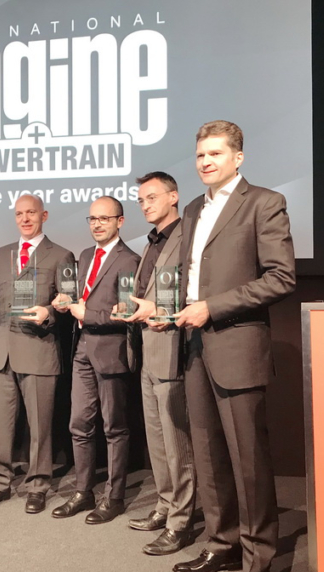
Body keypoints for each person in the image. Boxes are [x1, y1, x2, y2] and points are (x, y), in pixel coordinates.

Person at [171, 121, 296, 572]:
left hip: (238, 346)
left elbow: (281, 277)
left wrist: (212, 307)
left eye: (215, 154)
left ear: (238, 157)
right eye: (200, 155)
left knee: (248, 458)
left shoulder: (264, 202)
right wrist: (165, 307)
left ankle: (257, 553)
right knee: (207, 452)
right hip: (194, 345)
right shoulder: (192, 209)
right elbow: (190, 277)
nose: (205, 162)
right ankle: (220, 543)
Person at [0, 194, 74, 514]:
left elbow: (70, 299)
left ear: (44, 215)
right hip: (2, 349)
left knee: (40, 426)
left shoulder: (62, 255)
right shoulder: (3, 253)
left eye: (31, 213)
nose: (25, 219)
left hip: (39, 348)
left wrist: (49, 311)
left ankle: (38, 485)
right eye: (19, 214)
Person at [119, 172, 197, 555]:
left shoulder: (188, 237)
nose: (145, 205)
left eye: (152, 197)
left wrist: (160, 309)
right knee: (157, 440)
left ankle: (181, 521)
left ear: (173, 196)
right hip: (147, 349)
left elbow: (193, 291)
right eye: (141, 200)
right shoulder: (150, 242)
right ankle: (165, 506)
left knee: (177, 442)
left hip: (172, 349)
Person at [50, 196, 139, 524]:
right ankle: (83, 491)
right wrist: (65, 301)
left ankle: (114, 497)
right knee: (79, 424)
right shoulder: (85, 255)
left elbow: (127, 314)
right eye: (92, 219)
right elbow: (80, 298)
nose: (97, 224)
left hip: (110, 353)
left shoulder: (130, 260)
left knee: (114, 427)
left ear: (120, 221)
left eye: (104, 218)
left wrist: (87, 314)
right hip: (81, 350)